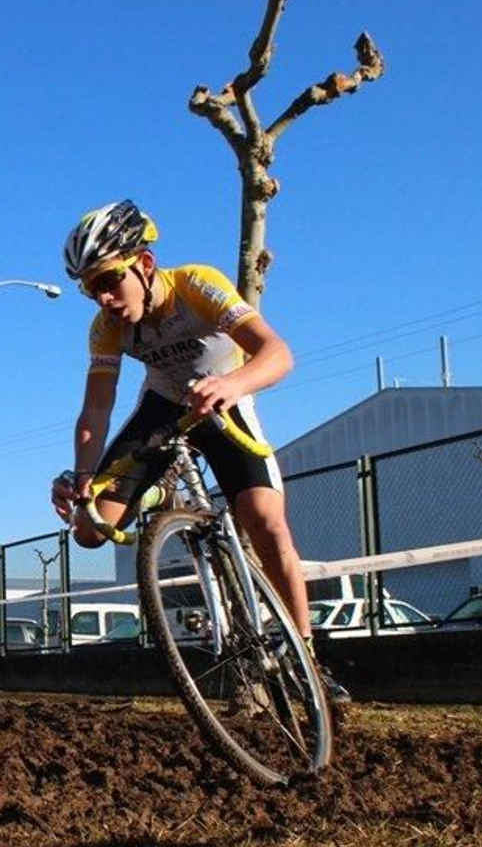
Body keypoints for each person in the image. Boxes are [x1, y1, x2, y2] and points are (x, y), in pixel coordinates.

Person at [48, 199, 347, 703]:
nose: (103, 298)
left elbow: (278, 353)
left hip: (223, 399)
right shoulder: (106, 327)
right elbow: (96, 408)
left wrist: (233, 383)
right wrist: (81, 477)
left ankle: (307, 659)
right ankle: (158, 493)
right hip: (163, 407)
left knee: (266, 522)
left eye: (110, 280)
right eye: (90, 288)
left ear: (144, 264)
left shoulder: (195, 285)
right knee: (89, 529)